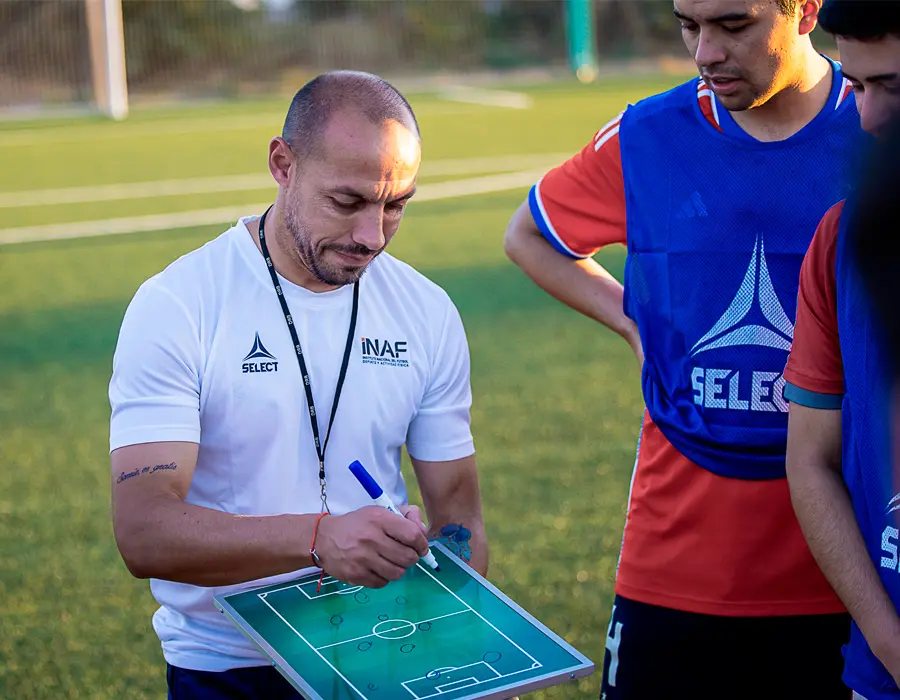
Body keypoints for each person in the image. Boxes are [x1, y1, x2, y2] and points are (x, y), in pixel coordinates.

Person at [503, 1, 862, 697]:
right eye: (688, 25)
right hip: (677, 561)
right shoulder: (649, 136)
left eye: (733, 26)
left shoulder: (879, 124)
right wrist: (634, 324)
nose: (704, 51)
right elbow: (532, 236)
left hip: (843, 565)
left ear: (807, 10)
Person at [108, 70, 487, 699]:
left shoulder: (427, 309)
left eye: (396, 205)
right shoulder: (179, 304)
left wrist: (467, 648)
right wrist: (318, 540)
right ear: (283, 164)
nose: (373, 236)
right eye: (347, 202)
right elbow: (144, 532)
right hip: (230, 664)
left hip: (381, 649)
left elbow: (461, 519)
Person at [783, 3, 900, 698]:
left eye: (895, 88)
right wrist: (888, 643)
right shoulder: (842, 239)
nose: (871, 117)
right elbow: (812, 458)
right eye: (857, 87)